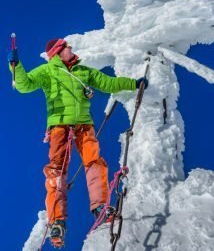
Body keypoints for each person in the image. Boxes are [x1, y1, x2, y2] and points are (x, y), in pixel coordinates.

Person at [8, 38, 148, 247]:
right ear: (57, 52)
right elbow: (24, 85)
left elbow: (107, 83)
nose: (71, 49)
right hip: (59, 127)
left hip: (84, 126)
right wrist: (16, 66)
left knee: (94, 161)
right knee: (57, 171)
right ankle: (57, 221)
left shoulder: (83, 71)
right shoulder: (47, 71)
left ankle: (100, 206)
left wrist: (133, 84)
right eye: (66, 47)